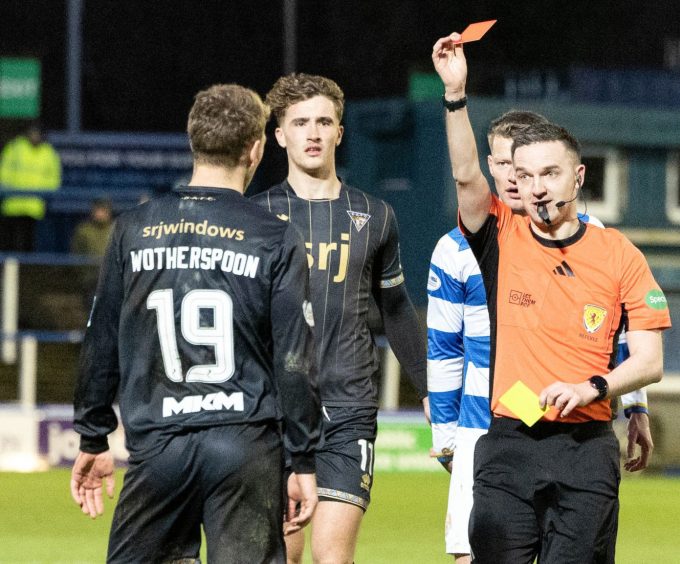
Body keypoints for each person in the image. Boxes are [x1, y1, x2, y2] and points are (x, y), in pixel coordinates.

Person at [432, 34, 671, 563]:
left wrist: (594, 389)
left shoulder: (620, 254)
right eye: (525, 176)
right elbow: (467, 174)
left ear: (578, 176)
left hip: (586, 450)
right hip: (509, 443)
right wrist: (455, 95)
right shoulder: (500, 236)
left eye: (550, 173)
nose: (536, 187)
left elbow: (650, 361)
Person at [71, 83, 322, 563]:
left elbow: (100, 341)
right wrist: (301, 458)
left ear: (194, 142)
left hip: (159, 447)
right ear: (255, 148)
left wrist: (93, 435)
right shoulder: (274, 236)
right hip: (245, 444)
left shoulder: (133, 228)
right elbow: (294, 359)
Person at [251, 73, 429, 564]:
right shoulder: (255, 216)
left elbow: (396, 309)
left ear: (340, 134)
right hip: (273, 411)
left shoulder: (375, 216)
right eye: (300, 122)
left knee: (333, 557)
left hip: (348, 408)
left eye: (324, 121)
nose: (313, 132)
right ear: (279, 135)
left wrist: (430, 389)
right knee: (281, 554)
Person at [0, 121, 62, 251]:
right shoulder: (15, 147)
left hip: (33, 206)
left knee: (28, 244)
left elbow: (53, 179)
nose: (34, 136)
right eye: (32, 133)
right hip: (13, 203)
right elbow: (3, 170)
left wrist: (43, 195)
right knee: (8, 243)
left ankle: (25, 271)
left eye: (37, 133)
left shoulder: (48, 153)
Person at [71, 198, 115, 314]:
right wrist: (86, 274)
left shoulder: (117, 229)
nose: (100, 213)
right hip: (91, 279)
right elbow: (76, 254)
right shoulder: (84, 230)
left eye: (103, 210)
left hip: (112, 279)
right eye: (98, 210)